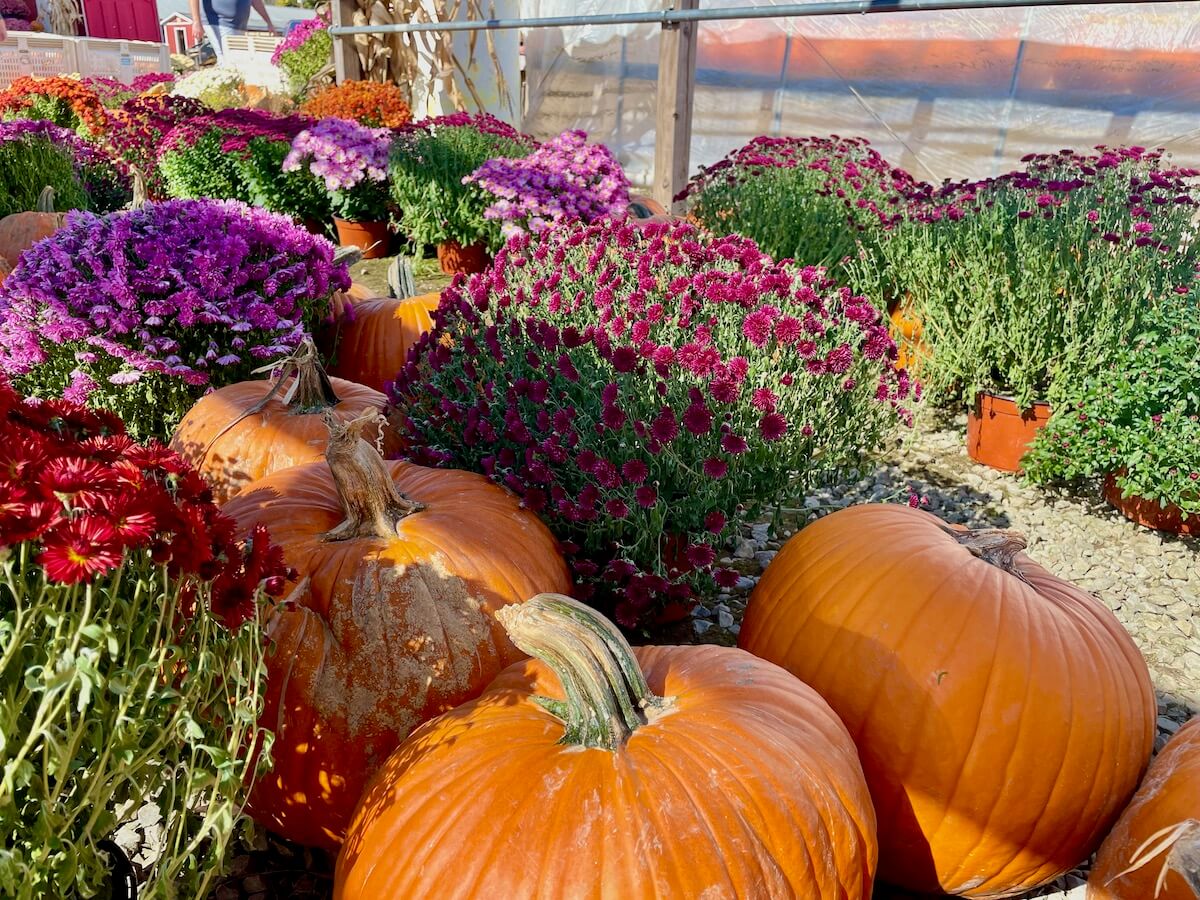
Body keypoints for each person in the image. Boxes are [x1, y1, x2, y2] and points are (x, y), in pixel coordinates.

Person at [188, 0, 277, 64]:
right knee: (228, 59)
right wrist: (196, 21)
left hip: (239, 26)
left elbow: (256, 1)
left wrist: (268, 22)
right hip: (219, 22)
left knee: (239, 59)